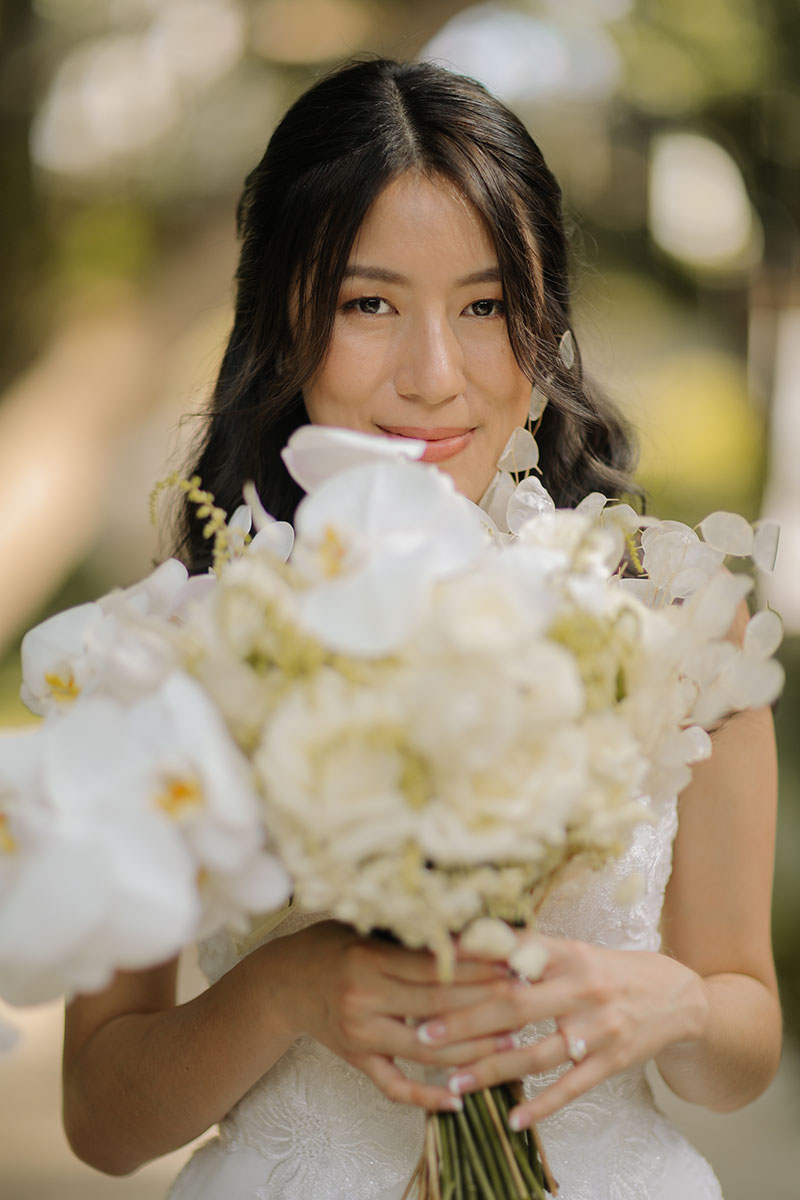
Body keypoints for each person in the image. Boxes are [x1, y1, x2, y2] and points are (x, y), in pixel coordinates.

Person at [61, 58, 780, 1200]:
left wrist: (672, 1005)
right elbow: (101, 1121)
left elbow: (741, 1036)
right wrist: (285, 989)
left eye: (484, 306)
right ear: (282, 326)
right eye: (368, 305)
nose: (433, 377)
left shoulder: (678, 615)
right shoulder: (175, 650)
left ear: (539, 330)